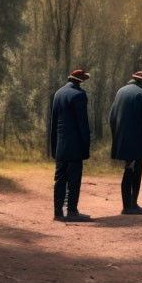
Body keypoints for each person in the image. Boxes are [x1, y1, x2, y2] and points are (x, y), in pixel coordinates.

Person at [109, 70, 142, 215]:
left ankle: (128, 205)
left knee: (128, 170)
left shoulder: (120, 92)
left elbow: (112, 117)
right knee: (135, 173)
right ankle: (131, 205)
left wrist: (117, 137)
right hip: (138, 143)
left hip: (122, 140)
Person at [49, 69, 93, 222]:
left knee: (60, 179)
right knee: (74, 180)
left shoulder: (58, 93)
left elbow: (53, 124)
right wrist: (86, 147)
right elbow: (83, 125)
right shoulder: (79, 95)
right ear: (80, 80)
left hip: (61, 145)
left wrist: (53, 147)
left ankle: (58, 212)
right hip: (75, 145)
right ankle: (72, 211)